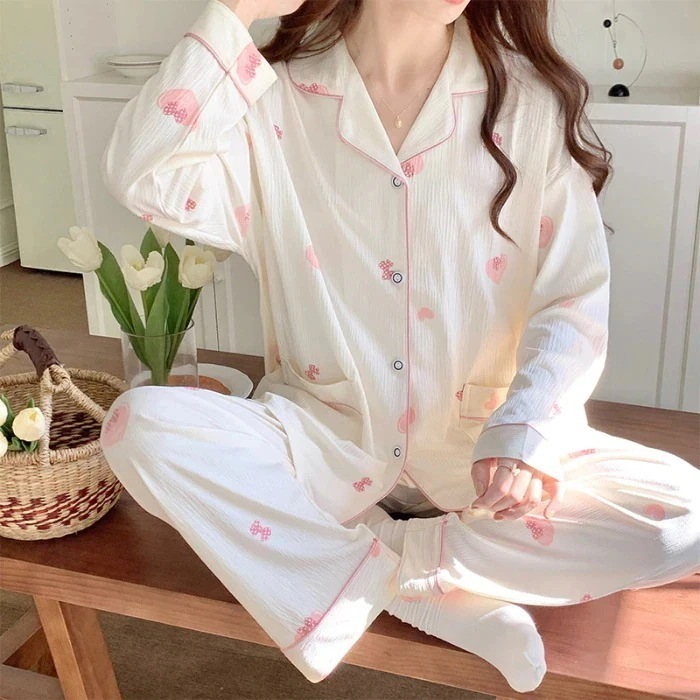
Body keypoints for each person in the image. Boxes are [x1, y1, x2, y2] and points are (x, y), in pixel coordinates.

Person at [100, 0, 700, 692]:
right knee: (141, 428)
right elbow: (143, 175)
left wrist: (526, 430)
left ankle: (387, 565)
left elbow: (573, 297)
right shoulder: (273, 100)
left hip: (480, 457)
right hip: (326, 444)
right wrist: (239, 10)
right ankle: (416, 588)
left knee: (682, 519)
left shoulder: (525, 103)